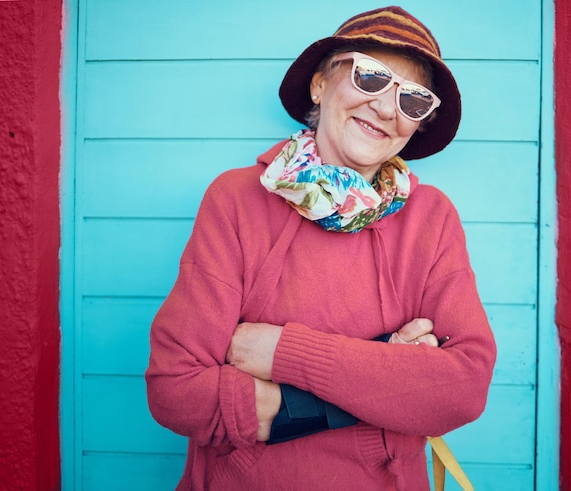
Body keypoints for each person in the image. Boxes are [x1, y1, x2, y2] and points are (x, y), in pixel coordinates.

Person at [146, 6, 496, 490]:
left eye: (413, 100)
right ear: (319, 84)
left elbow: (463, 387)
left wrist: (282, 354)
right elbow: (176, 389)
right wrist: (389, 374)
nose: (386, 108)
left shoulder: (430, 218)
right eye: (370, 77)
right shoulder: (236, 200)